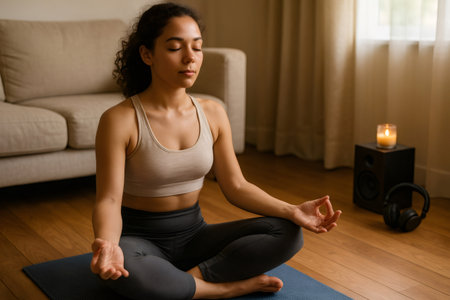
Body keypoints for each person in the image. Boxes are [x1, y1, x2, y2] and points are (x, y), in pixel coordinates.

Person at [90, 2, 342, 299]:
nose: (189, 58)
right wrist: (108, 244)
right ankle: (228, 288)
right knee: (124, 275)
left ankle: (187, 285)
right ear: (147, 54)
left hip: (195, 236)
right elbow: (108, 199)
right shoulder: (119, 120)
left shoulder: (213, 112)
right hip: (141, 240)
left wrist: (292, 210)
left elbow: (236, 186)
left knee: (288, 232)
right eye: (174, 48)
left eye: (197, 48)